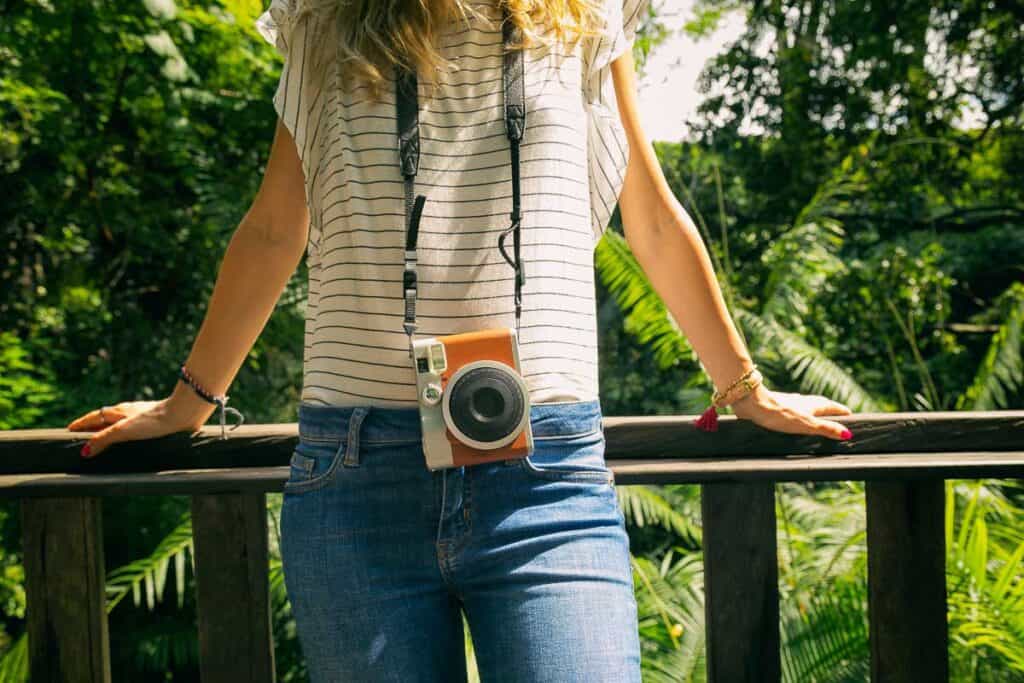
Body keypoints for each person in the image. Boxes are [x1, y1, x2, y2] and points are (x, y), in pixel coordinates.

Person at [67, 0, 854, 680]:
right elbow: (277, 225)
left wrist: (744, 385)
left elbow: (648, 214)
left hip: (546, 479)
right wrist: (188, 401)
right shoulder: (325, 18)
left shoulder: (584, 16)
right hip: (357, 476)